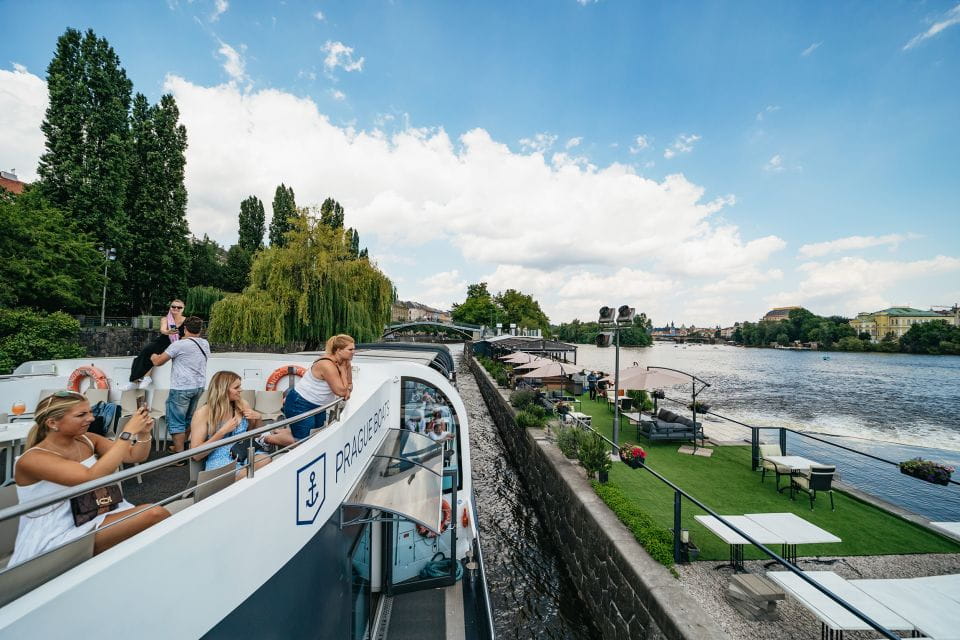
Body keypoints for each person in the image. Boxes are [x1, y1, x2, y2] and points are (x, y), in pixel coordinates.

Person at [10, 391, 169, 566]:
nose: (91, 418)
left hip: (95, 513)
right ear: (52, 423)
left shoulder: (87, 440)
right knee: (154, 514)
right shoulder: (32, 459)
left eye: (90, 412)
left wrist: (143, 434)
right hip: (58, 531)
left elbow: (133, 455)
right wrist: (128, 432)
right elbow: (89, 478)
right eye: (81, 414)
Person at [190, 371, 284, 474]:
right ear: (223, 389)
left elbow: (255, 434)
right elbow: (196, 455)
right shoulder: (203, 413)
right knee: (248, 473)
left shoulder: (242, 404)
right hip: (220, 459)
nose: (241, 390)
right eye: (236, 387)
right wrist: (221, 432)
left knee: (265, 461)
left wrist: (258, 419)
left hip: (244, 451)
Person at [151, 316, 208, 455]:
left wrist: (152, 356)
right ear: (200, 330)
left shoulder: (179, 345)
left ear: (185, 328)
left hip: (181, 388)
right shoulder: (205, 343)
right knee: (188, 419)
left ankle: (179, 456)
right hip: (198, 387)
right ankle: (181, 448)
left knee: (176, 422)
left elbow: (159, 362)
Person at [282, 334, 355, 440]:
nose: (354, 352)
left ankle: (277, 433)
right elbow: (343, 392)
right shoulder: (327, 365)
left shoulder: (345, 362)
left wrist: (345, 371)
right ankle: (265, 440)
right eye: (350, 349)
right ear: (339, 350)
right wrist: (343, 371)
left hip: (318, 405)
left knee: (315, 436)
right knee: (303, 440)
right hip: (300, 403)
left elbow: (349, 388)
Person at [121, 299, 186, 390]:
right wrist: (168, 332)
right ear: (170, 308)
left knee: (155, 354)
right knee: (145, 351)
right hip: (163, 341)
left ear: (183, 309)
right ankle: (135, 380)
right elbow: (163, 330)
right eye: (173, 306)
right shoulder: (166, 319)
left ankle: (146, 377)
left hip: (177, 344)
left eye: (179, 307)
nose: (176, 308)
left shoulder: (186, 321)